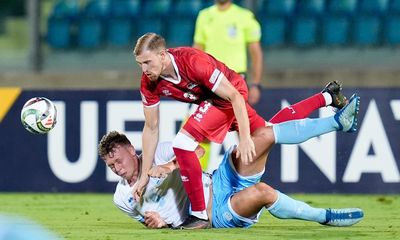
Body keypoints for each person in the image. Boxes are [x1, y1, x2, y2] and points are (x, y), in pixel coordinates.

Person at [133, 32, 349, 229]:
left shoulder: (192, 62)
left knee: (183, 143)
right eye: (140, 64)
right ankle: (328, 96)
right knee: (268, 132)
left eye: (147, 62)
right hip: (212, 101)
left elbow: (234, 96)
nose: (144, 69)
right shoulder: (148, 82)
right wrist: (143, 177)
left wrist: (244, 138)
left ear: (162, 55)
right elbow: (151, 127)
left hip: (230, 94)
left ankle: (199, 214)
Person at [99, 96, 363, 229]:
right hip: (214, 214)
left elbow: (198, 154)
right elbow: (150, 222)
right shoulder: (122, 197)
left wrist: (169, 166)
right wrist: (161, 224)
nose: (117, 169)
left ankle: (337, 121)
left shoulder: (160, 152)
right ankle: (324, 217)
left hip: (220, 179)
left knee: (263, 135)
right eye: (111, 166)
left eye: (119, 161)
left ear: (132, 151)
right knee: (263, 192)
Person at [193, 0, 263, 105]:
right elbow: (197, 51)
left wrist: (256, 84)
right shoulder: (204, 15)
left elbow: (256, 54)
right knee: (211, 119)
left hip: (235, 79)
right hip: (210, 78)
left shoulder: (245, 16)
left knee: (236, 118)